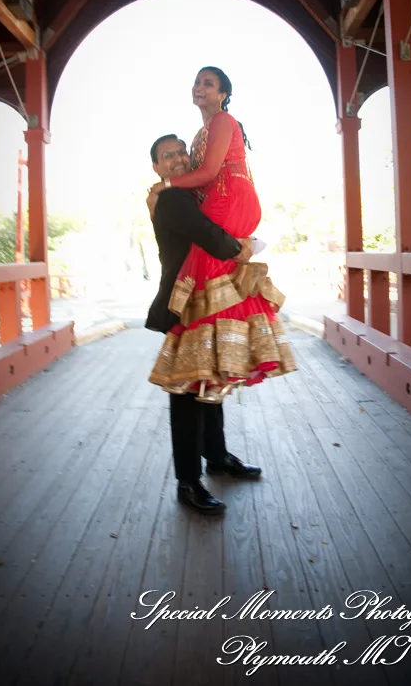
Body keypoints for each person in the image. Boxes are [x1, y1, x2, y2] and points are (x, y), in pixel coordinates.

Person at [148, 66, 296, 404]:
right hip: (220, 201)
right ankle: (219, 359)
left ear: (223, 94)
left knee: (206, 262)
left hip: (231, 198)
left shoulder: (222, 122)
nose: (200, 87)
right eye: (197, 82)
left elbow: (210, 173)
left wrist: (165, 185)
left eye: (208, 83)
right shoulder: (199, 134)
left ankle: (212, 358)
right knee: (214, 269)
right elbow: (199, 184)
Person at [146, 133, 262, 516]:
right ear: (157, 168)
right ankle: (188, 482)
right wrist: (242, 248)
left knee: (207, 381)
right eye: (168, 157)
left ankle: (216, 456)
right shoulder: (175, 199)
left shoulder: (192, 194)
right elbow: (210, 238)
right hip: (183, 304)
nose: (177, 160)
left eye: (181, 152)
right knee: (185, 392)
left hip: (201, 298)